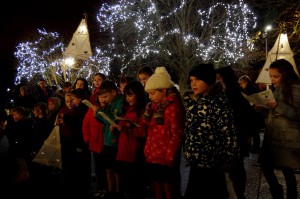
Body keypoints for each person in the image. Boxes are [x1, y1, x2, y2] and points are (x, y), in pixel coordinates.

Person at [183, 64, 239, 199]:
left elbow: (229, 132)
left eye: (197, 80)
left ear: (208, 80)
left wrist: (228, 159)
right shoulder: (194, 103)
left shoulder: (219, 103)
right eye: (191, 80)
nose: (193, 84)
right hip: (196, 161)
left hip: (213, 162)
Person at [216, 66, 262, 199]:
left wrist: (246, 134)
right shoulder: (229, 92)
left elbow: (245, 114)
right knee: (235, 167)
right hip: (234, 135)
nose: (217, 81)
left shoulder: (234, 93)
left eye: (219, 78)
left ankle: (238, 194)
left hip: (237, 135)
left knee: (236, 167)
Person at [259, 59, 300, 199]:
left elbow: (297, 114)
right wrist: (261, 107)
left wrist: (277, 106)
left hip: (287, 139)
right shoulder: (275, 89)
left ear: (286, 74)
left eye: (275, 76)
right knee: (265, 165)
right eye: (270, 76)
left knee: (288, 172)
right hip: (273, 137)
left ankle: (291, 196)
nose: (272, 79)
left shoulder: (296, 89)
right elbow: (272, 112)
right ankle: (277, 193)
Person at [143, 67, 185, 199]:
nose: (150, 97)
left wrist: (170, 154)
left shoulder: (173, 107)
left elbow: (177, 133)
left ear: (164, 90)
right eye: (149, 93)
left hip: (166, 156)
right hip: (155, 153)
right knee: (157, 185)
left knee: (168, 187)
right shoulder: (156, 106)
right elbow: (152, 129)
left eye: (153, 93)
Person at [112, 80, 148, 199]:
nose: (128, 98)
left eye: (130, 95)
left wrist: (128, 128)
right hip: (124, 151)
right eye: (126, 95)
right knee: (127, 184)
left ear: (138, 94)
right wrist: (116, 129)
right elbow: (123, 129)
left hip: (134, 152)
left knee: (135, 187)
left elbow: (143, 132)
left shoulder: (142, 111)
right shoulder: (127, 110)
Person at [92, 80, 124, 199]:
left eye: (105, 96)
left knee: (116, 169)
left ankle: (117, 192)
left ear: (114, 92)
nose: (104, 99)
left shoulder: (119, 102)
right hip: (107, 139)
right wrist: (98, 114)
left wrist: (101, 112)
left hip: (114, 141)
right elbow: (104, 121)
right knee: (108, 168)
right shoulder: (110, 103)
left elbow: (114, 118)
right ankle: (111, 191)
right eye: (102, 97)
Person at [82, 72, 107, 198]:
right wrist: (87, 138)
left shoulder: (108, 108)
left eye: (99, 79)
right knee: (97, 167)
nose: (96, 81)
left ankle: (107, 188)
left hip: (105, 142)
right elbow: (86, 124)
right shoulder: (92, 108)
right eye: (95, 80)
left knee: (106, 167)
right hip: (94, 141)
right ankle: (100, 187)